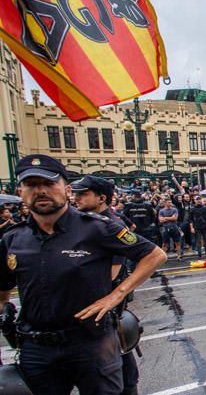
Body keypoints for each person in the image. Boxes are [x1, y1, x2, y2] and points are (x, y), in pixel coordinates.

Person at [0, 155, 166, 395]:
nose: (41, 191)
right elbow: (3, 289)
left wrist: (116, 296)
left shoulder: (97, 227)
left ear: (65, 189)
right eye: (32, 185)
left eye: (48, 184)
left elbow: (154, 255)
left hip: (91, 343)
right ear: (21, 191)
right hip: (37, 348)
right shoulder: (13, 238)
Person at [70, 175, 141, 395]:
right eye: (75, 193)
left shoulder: (110, 225)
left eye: (83, 194)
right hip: (90, 311)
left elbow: (114, 270)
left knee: (117, 356)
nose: (76, 198)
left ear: (101, 198)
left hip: (104, 304)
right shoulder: (82, 223)